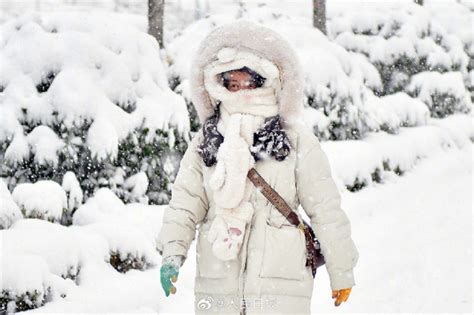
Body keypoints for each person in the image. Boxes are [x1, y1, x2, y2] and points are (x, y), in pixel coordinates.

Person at [157, 20, 359, 314]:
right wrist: (172, 254)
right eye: (232, 84)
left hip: (280, 285)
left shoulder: (295, 140)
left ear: (265, 81)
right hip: (219, 282)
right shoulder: (209, 141)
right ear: (219, 85)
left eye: (248, 82)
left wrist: (341, 269)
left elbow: (326, 208)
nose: (240, 91)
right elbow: (185, 204)